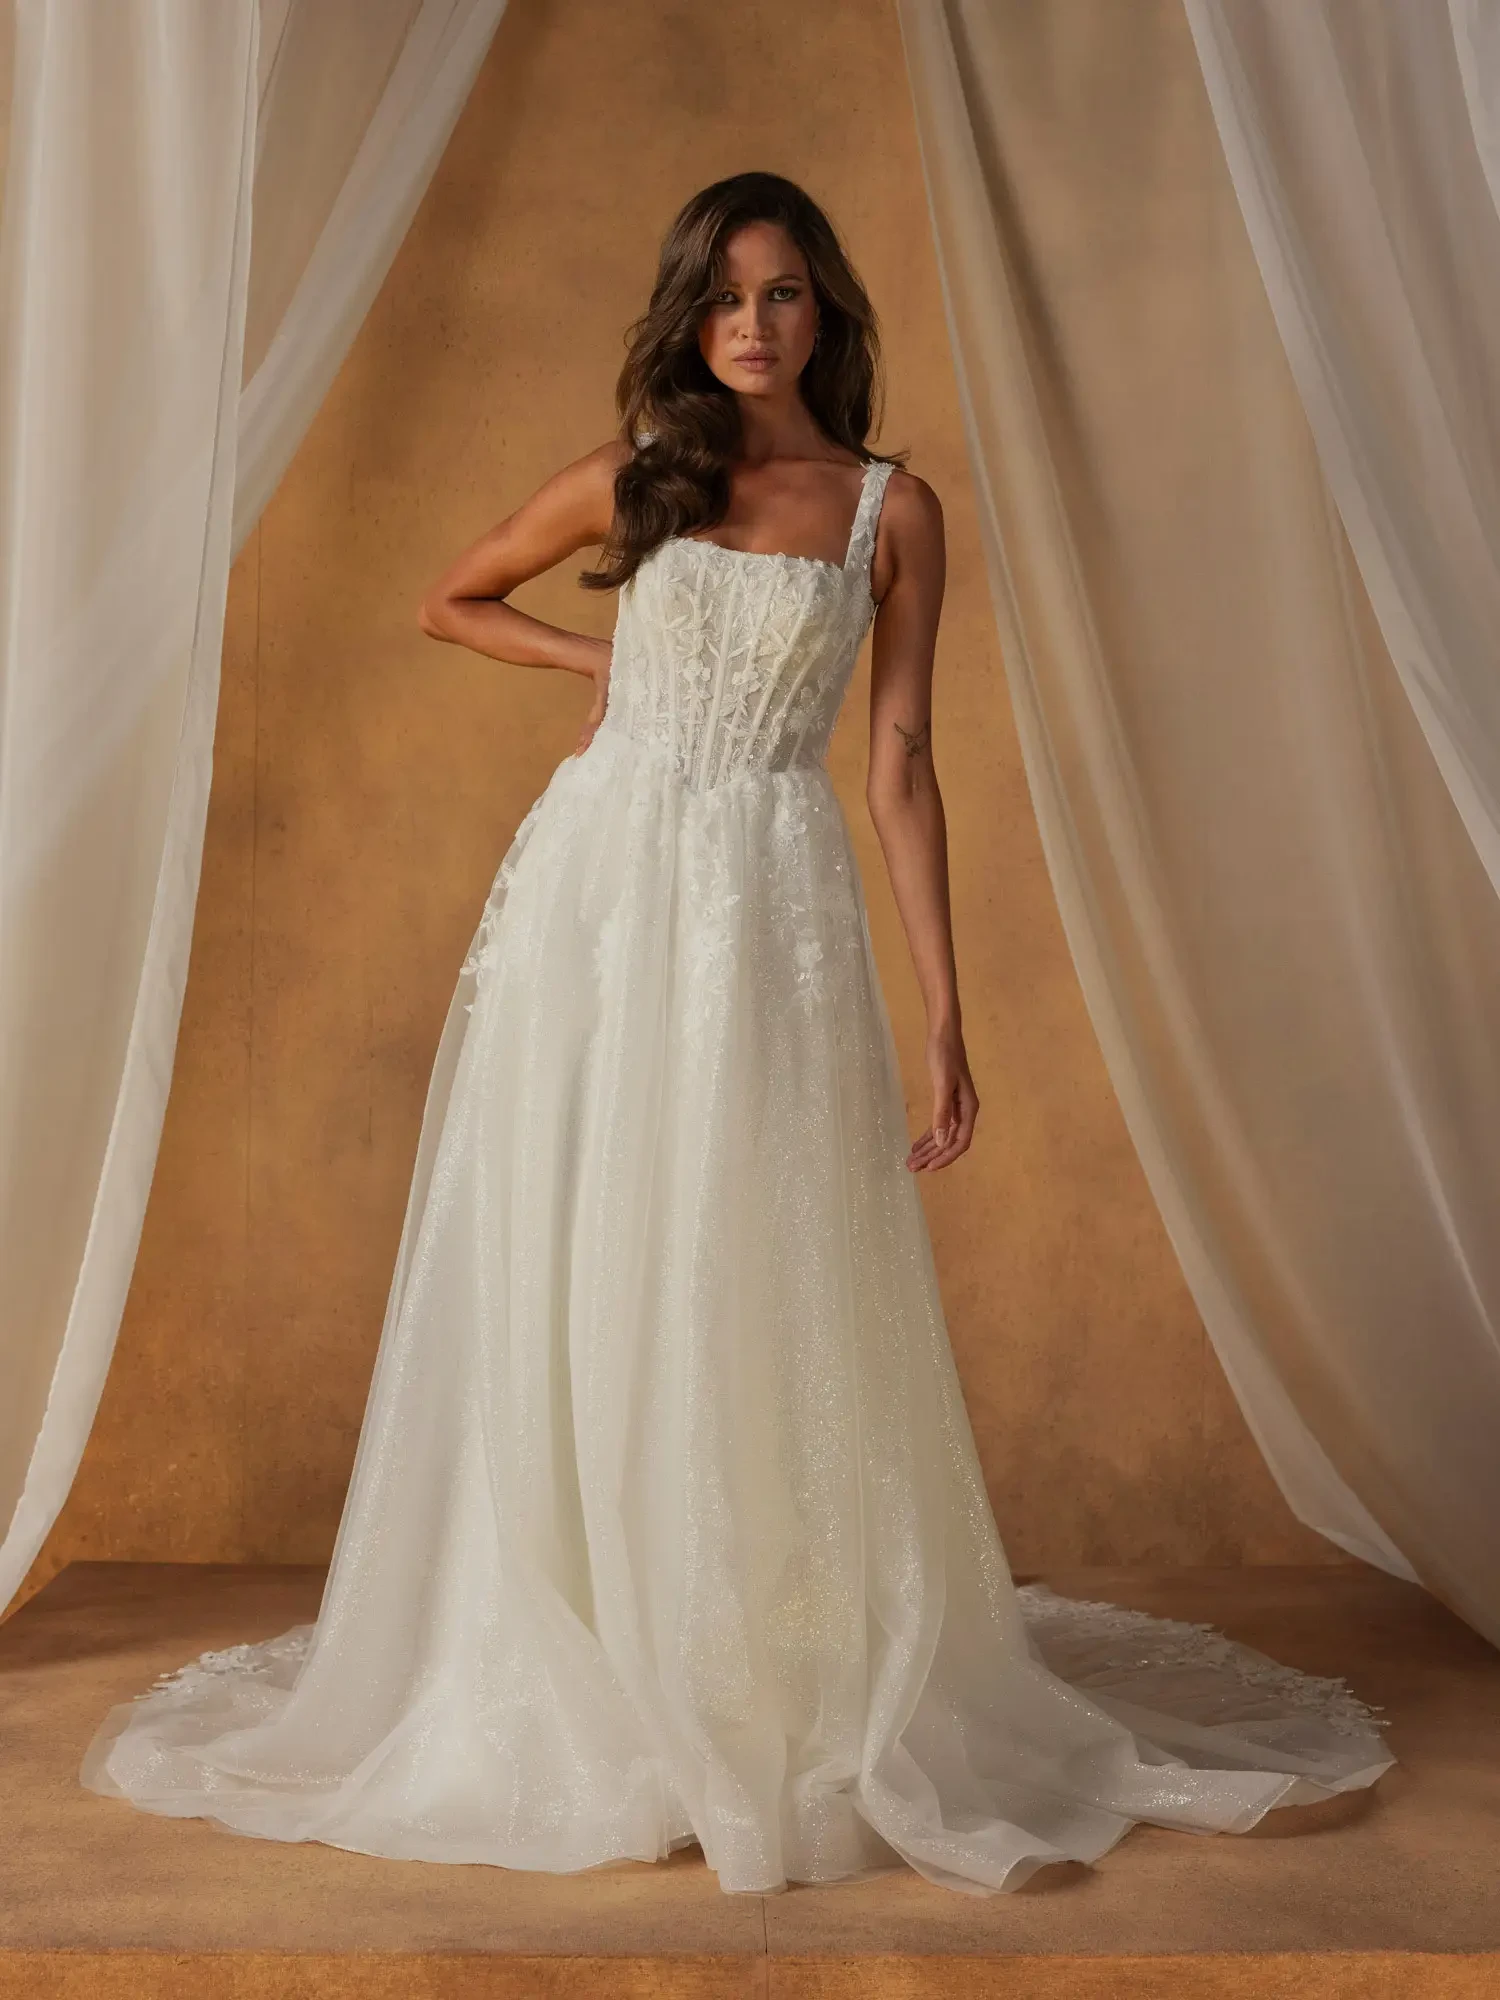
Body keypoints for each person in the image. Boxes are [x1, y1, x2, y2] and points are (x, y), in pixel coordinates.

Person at [79, 172, 1393, 1897]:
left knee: (754, 1259)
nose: (755, 325)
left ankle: (751, 1657)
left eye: (783, 294)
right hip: (604, 895)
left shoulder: (893, 512)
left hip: (772, 910)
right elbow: (447, 596)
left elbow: (902, 764)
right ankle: (594, 1645)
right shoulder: (642, 477)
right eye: (725, 298)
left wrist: (948, 1010)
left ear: (827, 311)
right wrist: (585, 673)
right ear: (690, 319)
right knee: (591, 1241)